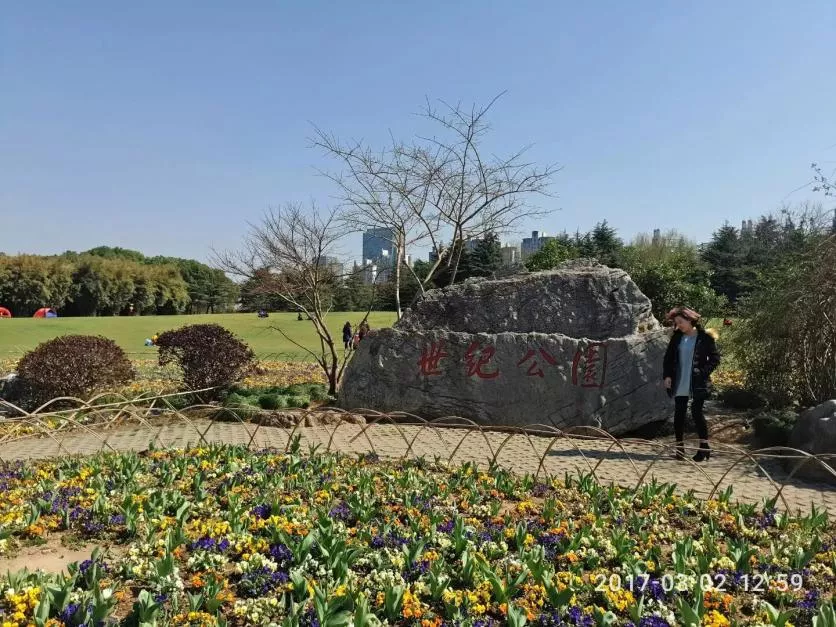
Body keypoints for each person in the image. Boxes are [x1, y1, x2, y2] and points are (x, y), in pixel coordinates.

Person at [662, 307, 720, 462]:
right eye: (676, 322)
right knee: (679, 414)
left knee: (696, 413)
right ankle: (679, 449)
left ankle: (704, 448)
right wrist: (667, 376)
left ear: (690, 320)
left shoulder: (705, 337)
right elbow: (668, 359)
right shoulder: (677, 338)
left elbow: (715, 359)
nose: (678, 325)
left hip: (697, 382)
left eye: (680, 322)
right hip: (680, 380)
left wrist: (702, 373)